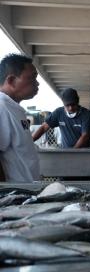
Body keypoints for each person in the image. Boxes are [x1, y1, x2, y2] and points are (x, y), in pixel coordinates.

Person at [0, 53, 40, 182]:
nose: (37, 83)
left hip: (26, 190)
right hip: (13, 195)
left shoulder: (14, 108)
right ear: (11, 80)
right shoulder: (2, 107)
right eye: (32, 78)